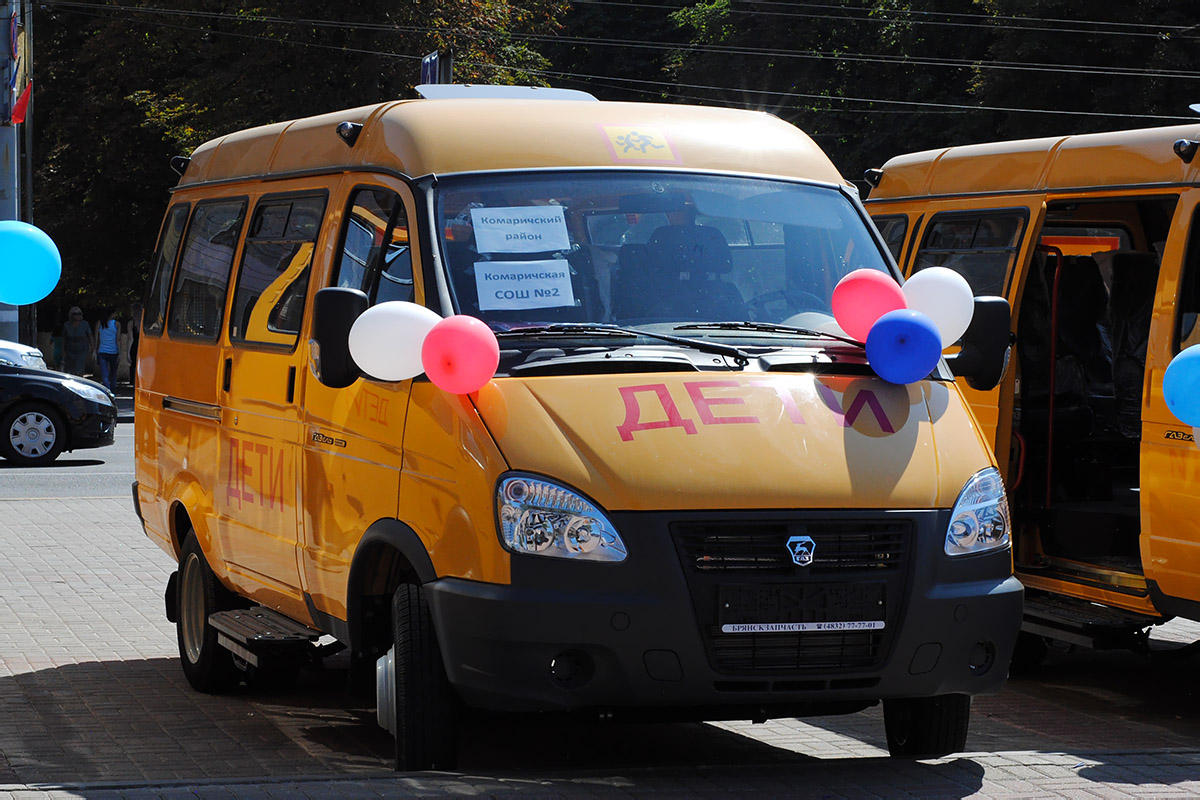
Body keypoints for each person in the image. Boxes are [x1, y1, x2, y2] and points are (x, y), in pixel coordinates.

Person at [61, 307, 92, 376]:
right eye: (75, 314)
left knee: (80, 366)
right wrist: (63, 350)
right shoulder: (66, 325)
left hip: (82, 348)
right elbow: (64, 338)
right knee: (70, 368)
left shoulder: (85, 324)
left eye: (79, 314)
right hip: (70, 349)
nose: (77, 315)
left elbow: (89, 335)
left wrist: (92, 347)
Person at [95, 309, 120, 391]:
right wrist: (119, 352)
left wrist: (95, 351)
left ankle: (108, 391)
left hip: (102, 351)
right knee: (113, 374)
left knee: (104, 374)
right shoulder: (116, 324)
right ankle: (112, 391)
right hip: (114, 351)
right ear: (111, 314)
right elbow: (118, 339)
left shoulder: (100, 324)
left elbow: (97, 339)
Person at [128, 302, 143, 387]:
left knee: (135, 369)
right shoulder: (145, 323)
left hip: (134, 347)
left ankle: (135, 388)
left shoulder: (131, 323)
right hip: (143, 346)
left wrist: (128, 353)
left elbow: (130, 338)